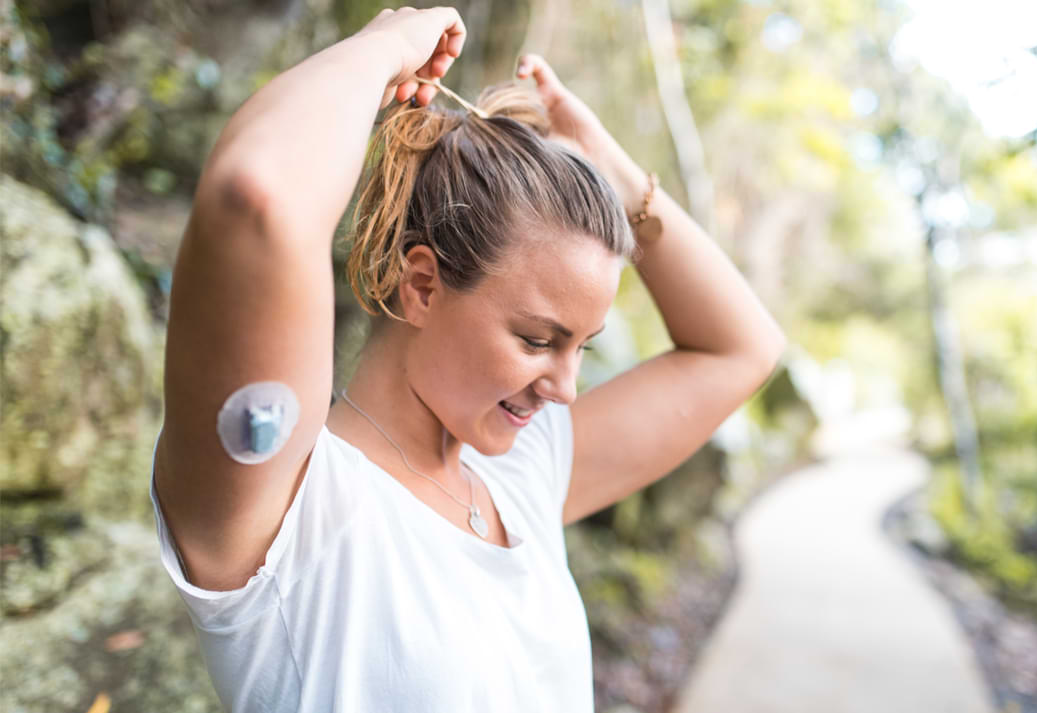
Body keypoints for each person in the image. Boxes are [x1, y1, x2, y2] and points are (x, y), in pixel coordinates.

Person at [148, 5, 785, 712]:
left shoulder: (521, 472)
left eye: (581, 346)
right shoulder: (286, 507)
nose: (566, 388)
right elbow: (258, 196)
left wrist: (616, 176)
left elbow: (743, 349)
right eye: (538, 339)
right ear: (422, 286)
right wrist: (385, 45)